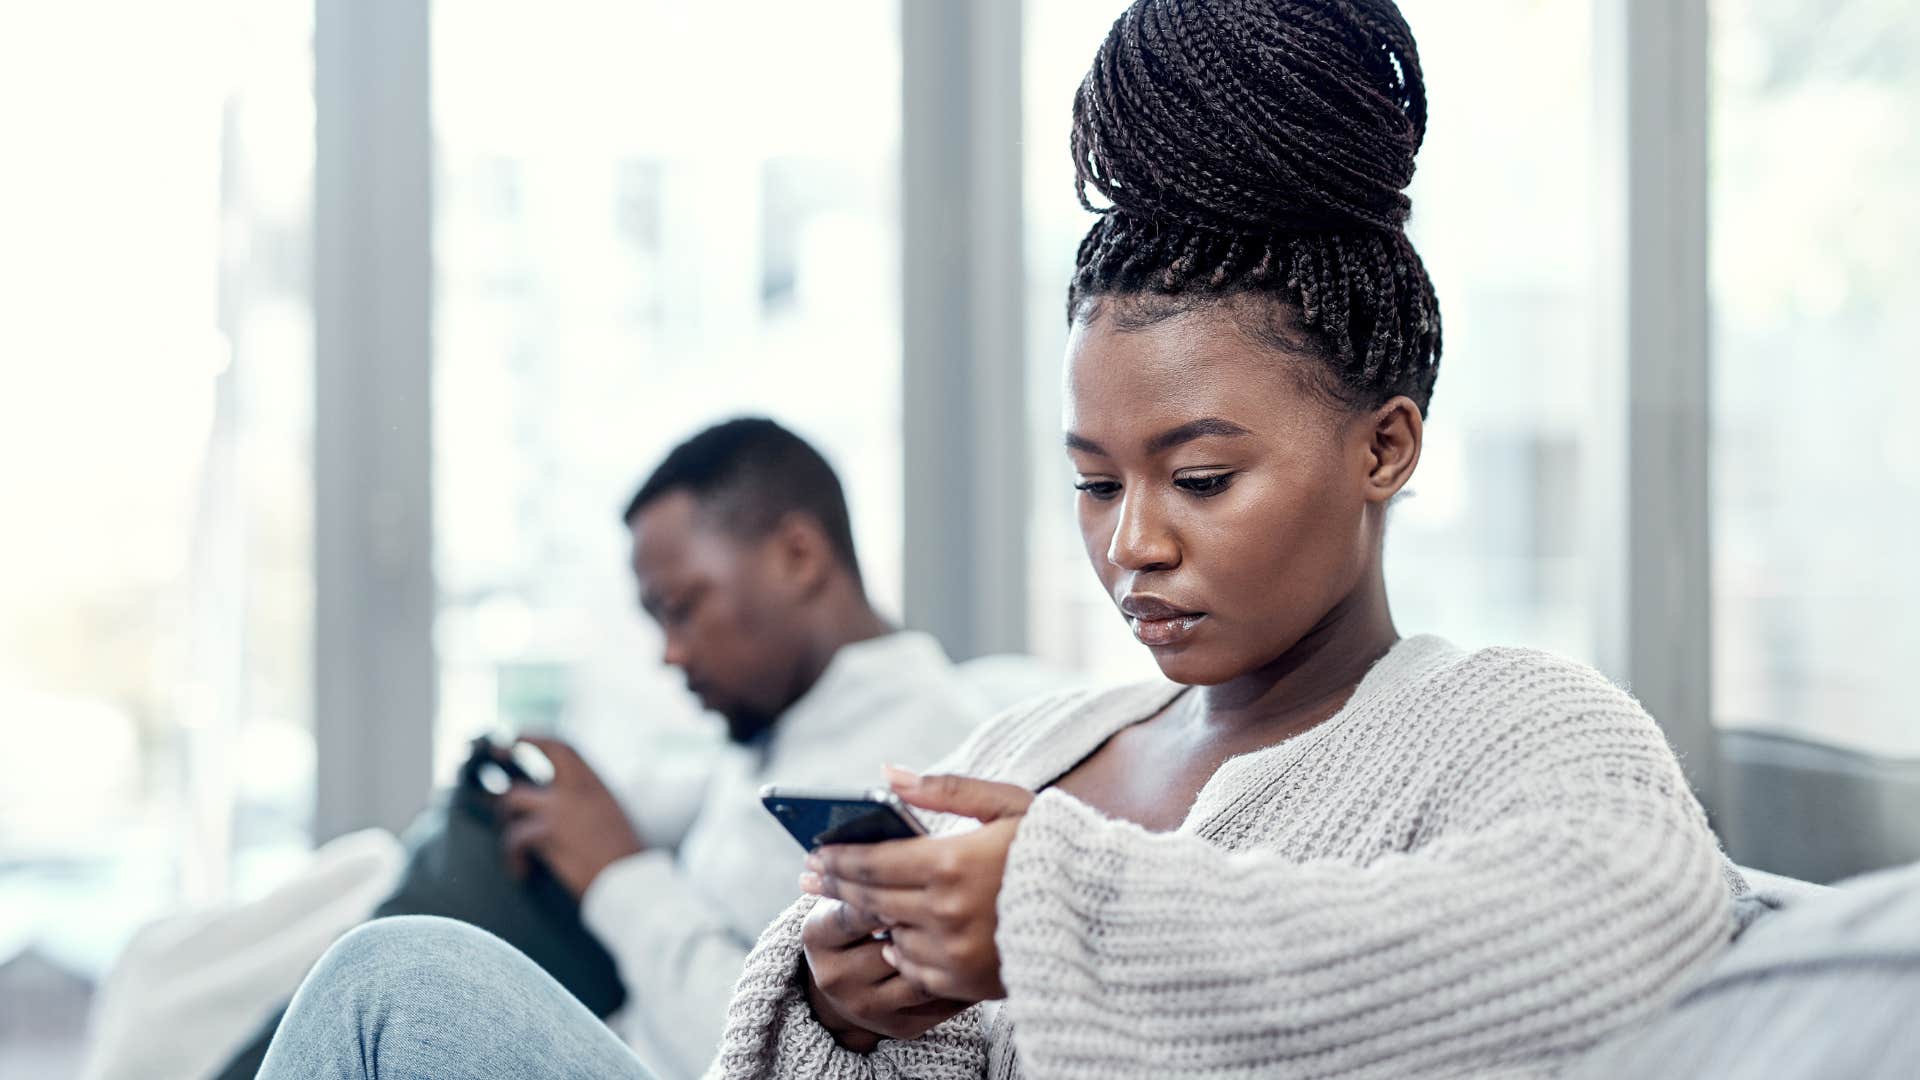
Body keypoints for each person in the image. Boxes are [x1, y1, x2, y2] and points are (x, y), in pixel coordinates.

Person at [255, 2, 1916, 1076]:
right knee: (403, 980)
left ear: (1385, 448)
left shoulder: (1504, 723)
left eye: (1202, 479)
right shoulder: (1038, 746)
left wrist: (1053, 920)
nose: (1134, 547)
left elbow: (1618, 936)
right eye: (1096, 483)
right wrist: (851, 1010)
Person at [242, 417, 988, 1080]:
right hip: (624, 1031)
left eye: (682, 609)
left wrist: (615, 872)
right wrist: (574, 803)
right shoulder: (791, 719)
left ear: (798, 555)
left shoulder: (916, 754)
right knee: (469, 844)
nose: (670, 653)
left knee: (384, 981)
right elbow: (702, 811)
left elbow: (778, 1046)